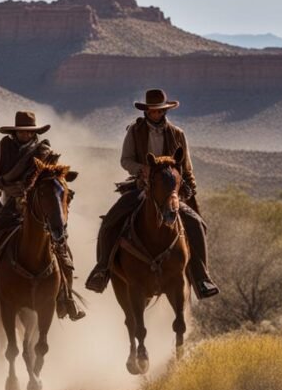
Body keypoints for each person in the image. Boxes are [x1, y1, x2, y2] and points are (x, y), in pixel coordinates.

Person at [84, 89, 219, 299]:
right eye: (152, 111)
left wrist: (189, 188)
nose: (155, 114)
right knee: (111, 220)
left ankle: (202, 277)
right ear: (146, 111)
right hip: (142, 187)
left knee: (196, 223)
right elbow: (125, 160)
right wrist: (142, 169)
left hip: (170, 191)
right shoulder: (134, 132)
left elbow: (187, 166)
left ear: (164, 111)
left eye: (159, 111)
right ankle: (102, 270)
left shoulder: (177, 134)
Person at [0, 111, 85, 321]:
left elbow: (56, 182)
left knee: (63, 250)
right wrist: (2, 184)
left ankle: (66, 299)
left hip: (39, 211)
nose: (25, 135)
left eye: (29, 132)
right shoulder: (4, 148)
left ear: (35, 133)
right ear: (16, 131)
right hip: (8, 209)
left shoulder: (45, 152)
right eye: (22, 131)